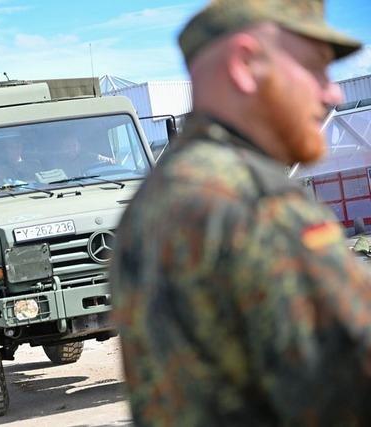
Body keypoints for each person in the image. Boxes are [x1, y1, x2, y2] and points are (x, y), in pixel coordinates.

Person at [110, 1, 371, 425]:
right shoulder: (256, 202)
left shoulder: (154, 199)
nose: (333, 92)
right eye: (315, 68)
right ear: (245, 64)